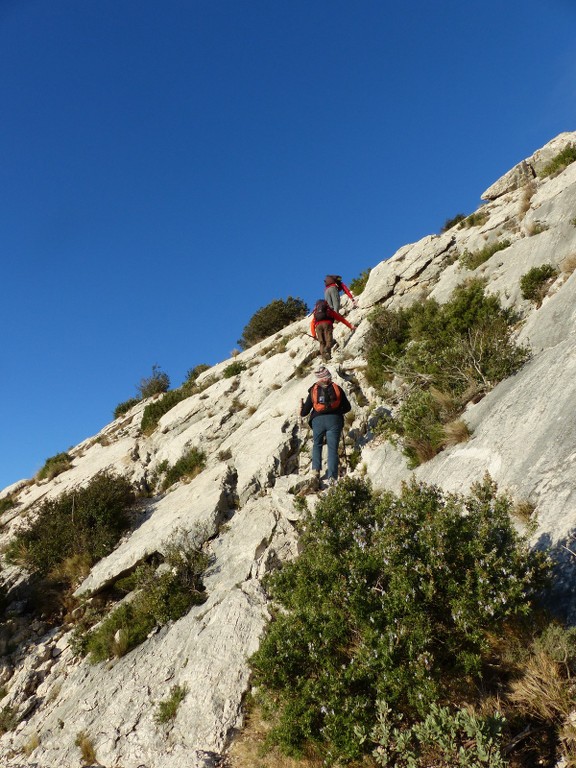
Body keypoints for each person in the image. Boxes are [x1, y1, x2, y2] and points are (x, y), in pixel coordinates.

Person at [300, 366, 352, 489]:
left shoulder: (313, 389)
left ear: (318, 378)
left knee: (317, 445)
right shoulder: (337, 388)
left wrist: (301, 409)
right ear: (328, 376)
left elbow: (304, 412)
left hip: (318, 421)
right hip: (334, 420)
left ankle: (316, 471)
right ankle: (332, 478)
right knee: (332, 449)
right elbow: (348, 407)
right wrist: (338, 410)